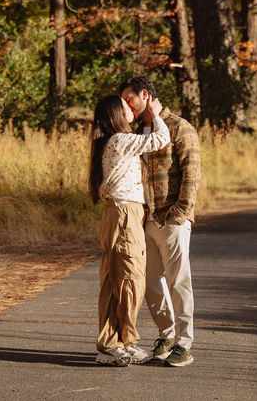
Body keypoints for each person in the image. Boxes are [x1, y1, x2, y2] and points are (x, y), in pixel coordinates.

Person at [119, 76, 200, 367]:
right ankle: (166, 335)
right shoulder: (139, 132)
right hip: (146, 220)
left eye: (129, 99)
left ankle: (184, 343)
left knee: (179, 281)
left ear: (144, 94)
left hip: (173, 218)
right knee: (151, 281)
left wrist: (179, 213)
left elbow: (192, 175)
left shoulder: (180, 127)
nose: (126, 105)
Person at [88, 93, 170, 367]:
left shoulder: (115, 141)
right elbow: (160, 139)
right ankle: (117, 344)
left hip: (123, 212)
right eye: (125, 106)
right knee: (130, 280)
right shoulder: (120, 141)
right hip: (124, 213)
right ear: (115, 115)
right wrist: (155, 113)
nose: (131, 107)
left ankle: (120, 342)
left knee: (120, 280)